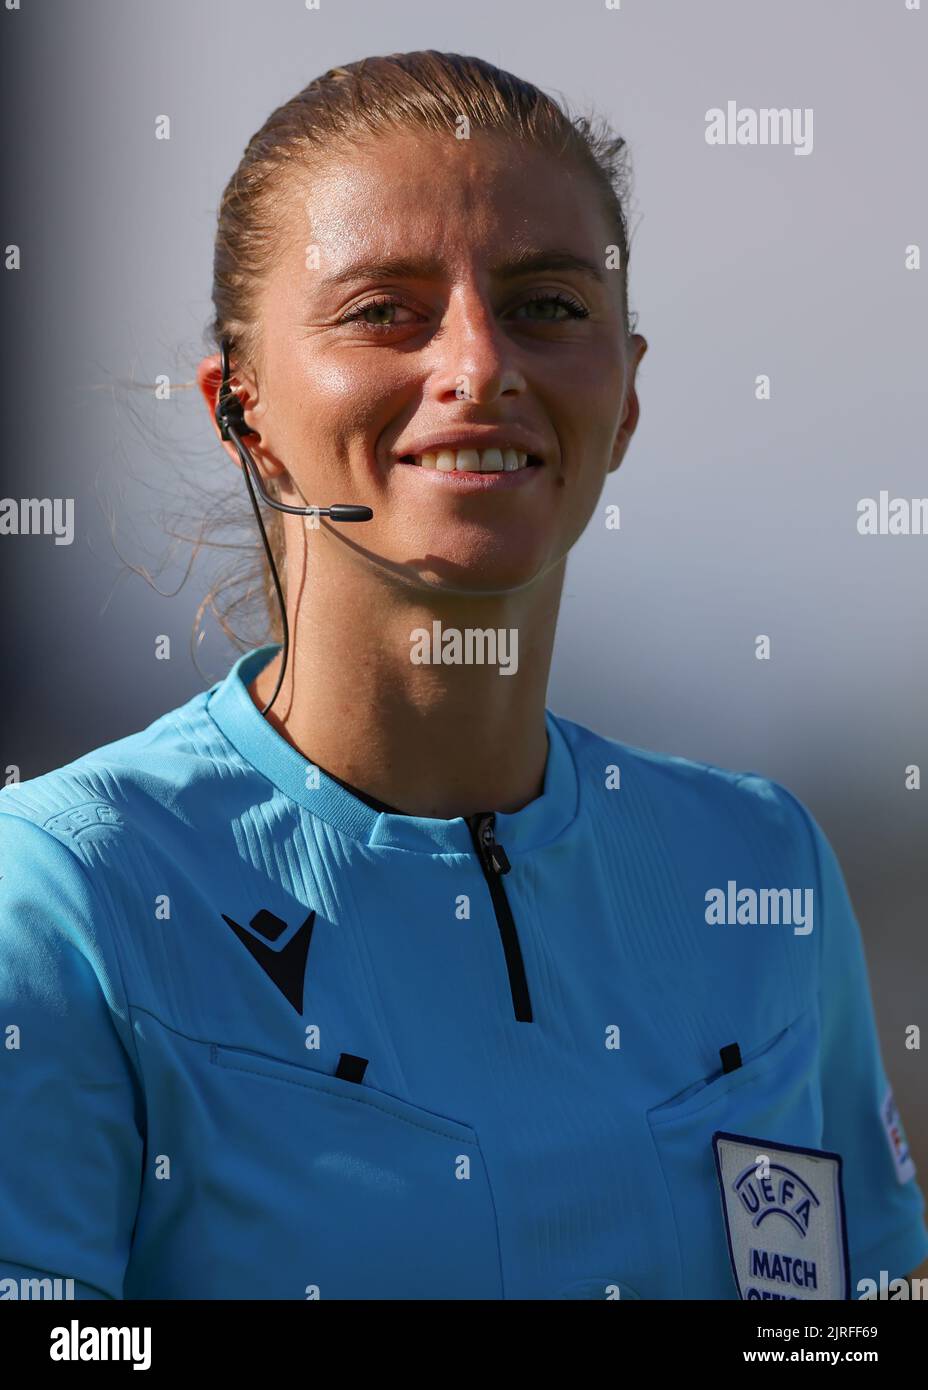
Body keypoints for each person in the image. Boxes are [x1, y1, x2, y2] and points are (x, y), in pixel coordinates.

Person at [0, 51, 925, 1302]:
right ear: (242, 408)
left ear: (629, 395)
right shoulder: (67, 894)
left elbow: (837, 1324)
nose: (480, 363)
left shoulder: (759, 868)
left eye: (547, 305)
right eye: (386, 307)